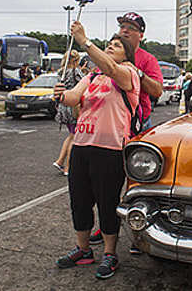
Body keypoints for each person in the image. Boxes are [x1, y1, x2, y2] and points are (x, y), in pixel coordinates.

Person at [54, 23, 140, 280]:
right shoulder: (91, 77)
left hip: (110, 148)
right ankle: (83, 250)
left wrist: (84, 41)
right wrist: (61, 95)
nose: (110, 47)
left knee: (107, 203)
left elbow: (111, 68)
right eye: (109, 45)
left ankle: (110, 253)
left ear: (126, 55)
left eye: (116, 46)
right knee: (79, 201)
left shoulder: (128, 73)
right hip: (82, 146)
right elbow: (73, 98)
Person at [89, 12, 163, 252]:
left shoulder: (147, 59)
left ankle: (138, 232)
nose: (124, 30)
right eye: (122, 26)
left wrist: (138, 73)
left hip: (138, 125)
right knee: (107, 181)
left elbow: (158, 91)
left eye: (131, 27)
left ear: (141, 34)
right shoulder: (108, 54)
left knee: (138, 180)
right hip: (107, 125)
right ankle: (107, 225)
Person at [52, 50, 84, 176]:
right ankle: (68, 167)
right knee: (74, 138)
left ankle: (60, 161)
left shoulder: (61, 72)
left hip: (63, 107)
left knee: (70, 135)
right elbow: (86, 82)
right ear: (76, 61)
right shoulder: (76, 72)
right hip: (73, 106)